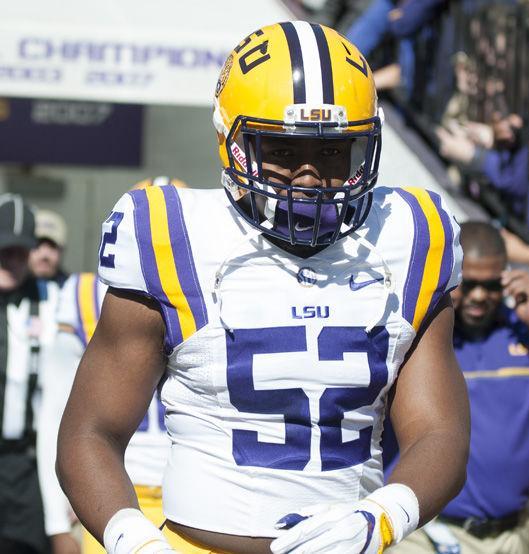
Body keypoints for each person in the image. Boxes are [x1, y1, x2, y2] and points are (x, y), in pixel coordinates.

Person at [57, 21, 470, 554]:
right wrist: (133, 540)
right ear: (232, 141)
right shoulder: (168, 233)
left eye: (331, 152)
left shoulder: (412, 234)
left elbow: (442, 434)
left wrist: (384, 518)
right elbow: (90, 432)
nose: (307, 176)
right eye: (280, 148)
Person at [386, 221, 529, 554]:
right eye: (468, 283)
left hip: (510, 536)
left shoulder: (526, 331)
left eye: (491, 285)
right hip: (427, 534)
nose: (478, 296)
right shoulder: (415, 333)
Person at [37, 179, 185, 554]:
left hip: (196, 499)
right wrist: (56, 521)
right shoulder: (83, 295)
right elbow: (56, 414)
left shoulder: (222, 293)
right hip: (115, 494)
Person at [0, 194, 59, 554]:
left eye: (20, 252)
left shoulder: (51, 299)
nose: (12, 261)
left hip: (25, 464)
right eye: (4, 250)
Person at [29, 209, 69, 288]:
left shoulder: (73, 290)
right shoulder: (8, 290)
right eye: (37, 245)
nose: (44, 254)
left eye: (52, 246)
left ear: (62, 250)